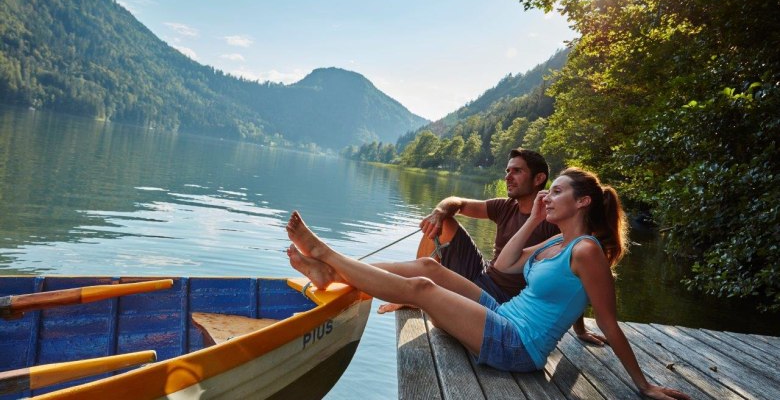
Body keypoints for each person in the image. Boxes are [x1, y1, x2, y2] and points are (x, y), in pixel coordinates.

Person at [285, 168, 690, 399]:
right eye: (548, 192)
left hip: (517, 345)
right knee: (433, 268)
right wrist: (533, 219)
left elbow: (609, 319)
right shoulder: (556, 240)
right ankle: (332, 272)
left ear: (582, 202)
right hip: (500, 316)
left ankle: (327, 257)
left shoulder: (586, 251)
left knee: (424, 291)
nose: (548, 198)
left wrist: (644, 384)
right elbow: (510, 263)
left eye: (558, 192)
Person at [379, 148, 604, 345]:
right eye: (507, 171)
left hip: (502, 300)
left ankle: (404, 290)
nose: (508, 177)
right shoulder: (505, 206)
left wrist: (580, 328)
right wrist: (440, 210)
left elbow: (573, 277)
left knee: (432, 277)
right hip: (483, 275)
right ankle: (407, 291)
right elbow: (459, 202)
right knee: (443, 221)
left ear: (539, 179)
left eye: (517, 171)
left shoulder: (555, 220)